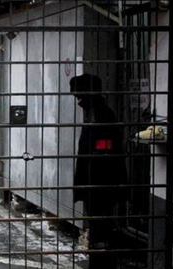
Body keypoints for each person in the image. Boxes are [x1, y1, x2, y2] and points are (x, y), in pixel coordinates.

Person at [70, 74, 127, 267]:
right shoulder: (96, 112)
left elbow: (102, 153)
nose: (77, 100)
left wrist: (90, 185)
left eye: (79, 95)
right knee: (99, 226)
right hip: (98, 181)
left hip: (99, 183)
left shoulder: (99, 114)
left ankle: (102, 264)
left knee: (100, 226)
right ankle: (101, 261)